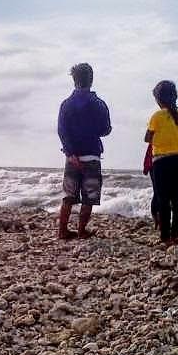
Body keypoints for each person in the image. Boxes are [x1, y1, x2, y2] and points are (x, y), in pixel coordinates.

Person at [57, 63, 112, 240]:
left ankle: (62, 230)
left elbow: (62, 130)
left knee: (68, 196)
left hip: (72, 156)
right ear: (91, 79)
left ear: (74, 80)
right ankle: (81, 230)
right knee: (89, 197)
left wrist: (70, 153)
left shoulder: (66, 104)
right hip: (91, 154)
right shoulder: (98, 104)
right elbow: (105, 129)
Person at [144, 80, 178, 245]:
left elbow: (147, 138)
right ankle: (176, 234)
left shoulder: (157, 116)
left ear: (158, 99)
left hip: (161, 161)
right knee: (177, 199)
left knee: (163, 199)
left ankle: (165, 236)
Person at [143, 144, 160, 229]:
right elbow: (150, 150)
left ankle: (158, 220)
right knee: (158, 193)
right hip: (155, 164)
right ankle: (157, 220)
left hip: (156, 163)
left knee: (158, 193)